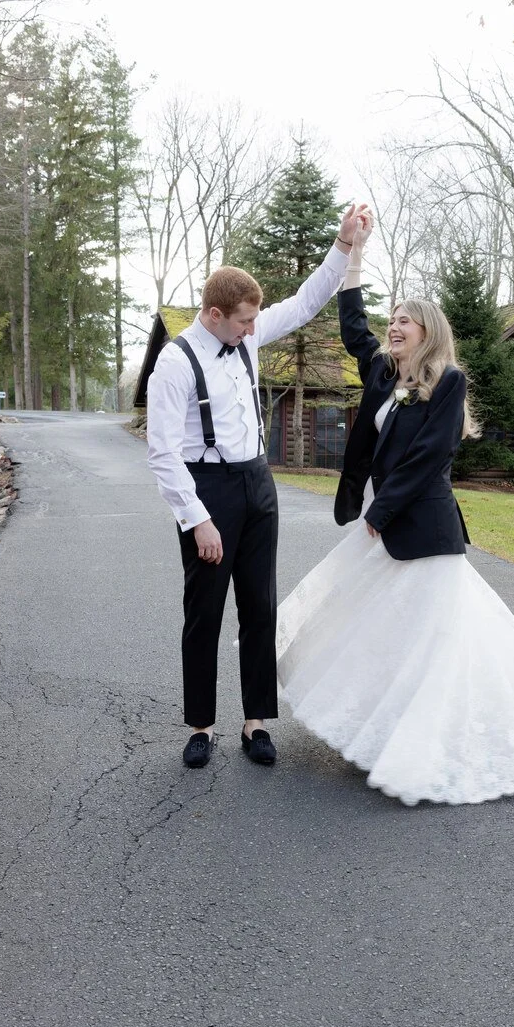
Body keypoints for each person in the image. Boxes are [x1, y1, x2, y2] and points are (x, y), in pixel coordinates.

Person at [276, 217, 514, 806]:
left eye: (404, 319)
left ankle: (453, 740)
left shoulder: (446, 382)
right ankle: (381, 730)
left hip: (421, 526)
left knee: (441, 643)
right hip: (385, 520)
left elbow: (430, 456)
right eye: (391, 318)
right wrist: (355, 251)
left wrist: (382, 513)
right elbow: (352, 323)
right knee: (371, 628)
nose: (393, 326)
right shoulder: (381, 373)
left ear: (428, 332)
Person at [147, 203, 371, 770]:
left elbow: (304, 304)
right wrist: (197, 518)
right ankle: (200, 726)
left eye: (254, 322)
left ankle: (256, 723)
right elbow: (162, 453)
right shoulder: (173, 365)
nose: (253, 331)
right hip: (208, 490)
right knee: (204, 612)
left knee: (259, 607)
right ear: (215, 313)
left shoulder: (244, 337)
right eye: (245, 322)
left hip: (257, 482)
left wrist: (343, 247)